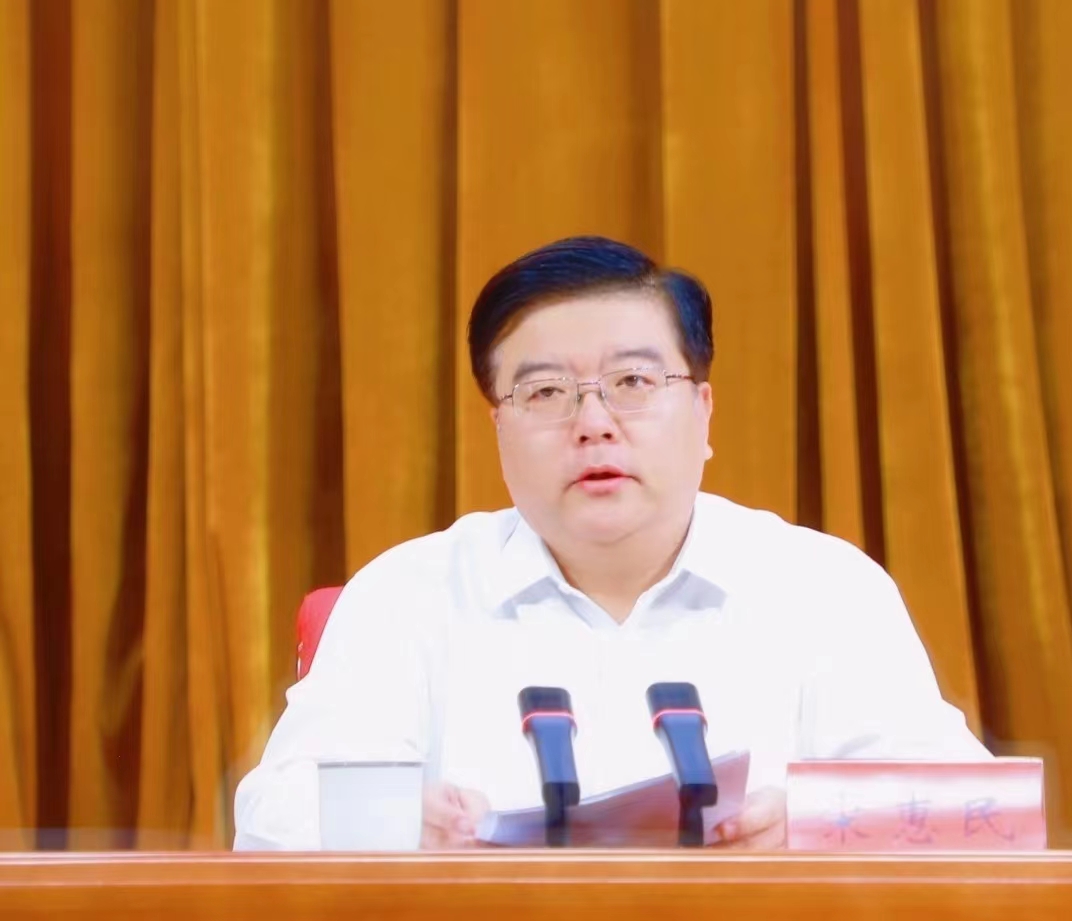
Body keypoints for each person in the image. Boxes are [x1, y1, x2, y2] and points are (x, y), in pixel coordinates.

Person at [233, 235, 989, 851]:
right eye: (546, 393)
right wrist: (398, 823)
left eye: (632, 383)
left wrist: (821, 825)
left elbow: (977, 810)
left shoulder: (822, 587)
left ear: (703, 410)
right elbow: (272, 815)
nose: (593, 423)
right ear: (499, 428)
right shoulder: (411, 594)